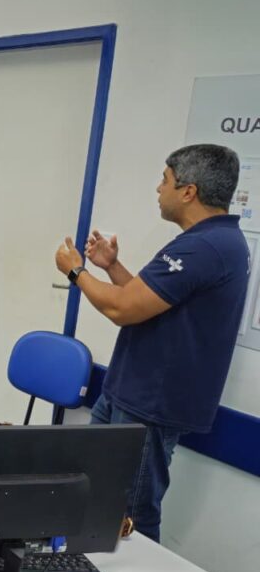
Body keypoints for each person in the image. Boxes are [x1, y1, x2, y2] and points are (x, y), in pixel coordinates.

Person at [54, 144, 249, 542]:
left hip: (150, 405)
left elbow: (122, 309)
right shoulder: (214, 240)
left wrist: (76, 272)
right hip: (128, 392)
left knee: (133, 517)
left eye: (165, 180)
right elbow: (147, 302)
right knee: (93, 490)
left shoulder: (205, 246)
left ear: (189, 192)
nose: (158, 189)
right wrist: (111, 267)